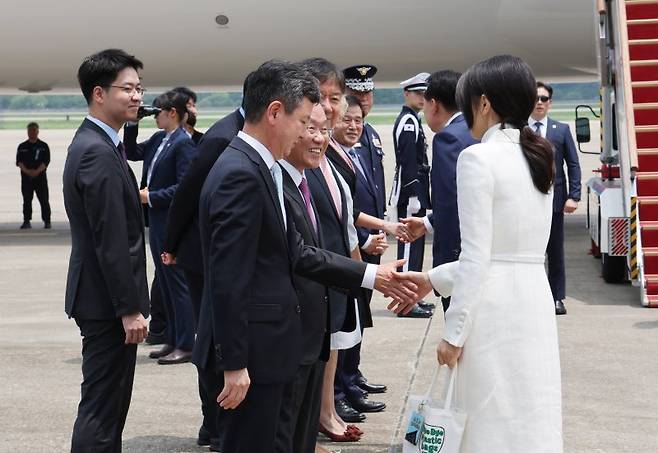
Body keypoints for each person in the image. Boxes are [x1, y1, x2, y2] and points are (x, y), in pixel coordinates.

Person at [192, 59, 414, 453]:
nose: (307, 135)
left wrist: (369, 275)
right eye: (302, 123)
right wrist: (234, 364)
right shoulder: (241, 173)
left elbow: (293, 250)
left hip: (276, 350)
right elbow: (228, 278)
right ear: (275, 112)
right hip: (254, 357)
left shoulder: (261, 167)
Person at [394, 55, 562, 453]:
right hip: (532, 300)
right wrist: (431, 280)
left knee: (487, 419)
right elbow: (507, 253)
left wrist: (453, 334)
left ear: (484, 103)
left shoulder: (477, 158)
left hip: (492, 307)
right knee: (529, 412)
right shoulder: (539, 155)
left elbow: (478, 256)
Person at [63, 48, 149, 452]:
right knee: (102, 407)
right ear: (99, 93)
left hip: (102, 299)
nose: (137, 96)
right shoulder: (96, 152)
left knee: (110, 405)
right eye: (127, 89)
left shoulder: (102, 143)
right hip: (106, 303)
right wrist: (129, 308)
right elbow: (111, 240)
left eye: (139, 88)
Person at [162, 79, 248, 451]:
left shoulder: (238, 129)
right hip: (203, 255)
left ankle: (216, 423)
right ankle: (212, 425)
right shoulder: (222, 135)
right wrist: (171, 243)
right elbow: (187, 191)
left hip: (217, 252)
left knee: (219, 339)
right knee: (211, 342)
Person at [276, 103, 342, 452]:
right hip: (288, 341)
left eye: (325, 130)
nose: (319, 138)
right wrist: (371, 277)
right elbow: (301, 255)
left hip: (313, 339)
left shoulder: (304, 180)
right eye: (310, 127)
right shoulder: (275, 182)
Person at [124, 90, 197, 365]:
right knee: (166, 284)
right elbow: (131, 152)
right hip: (156, 223)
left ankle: (187, 344)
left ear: (173, 113)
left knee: (178, 284)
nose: (155, 116)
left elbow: (184, 188)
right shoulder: (160, 139)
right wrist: (134, 122)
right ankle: (174, 339)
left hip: (170, 222)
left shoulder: (183, 144)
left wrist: (150, 196)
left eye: (158, 112)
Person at [402, 70, 478, 313]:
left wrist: (445, 268)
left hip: (461, 261)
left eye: (424, 105)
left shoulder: (448, 138)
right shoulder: (475, 131)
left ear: (434, 105)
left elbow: (451, 203)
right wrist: (426, 222)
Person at [530, 81, 581, 315]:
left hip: (555, 201)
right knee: (529, 252)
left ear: (550, 103)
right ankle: (530, 298)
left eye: (543, 99)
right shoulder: (521, 130)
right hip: (526, 201)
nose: (539, 102)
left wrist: (574, 196)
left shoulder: (560, 130)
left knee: (555, 251)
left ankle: (556, 297)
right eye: (536, 98)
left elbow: (572, 164)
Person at [390, 73, 433, 318]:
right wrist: (414, 192)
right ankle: (406, 303)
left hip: (415, 190)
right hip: (410, 193)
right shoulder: (408, 121)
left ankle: (412, 298)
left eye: (425, 94)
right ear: (407, 94)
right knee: (407, 250)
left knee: (415, 249)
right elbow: (407, 162)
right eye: (417, 94)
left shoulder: (413, 120)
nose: (422, 98)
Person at [16, 122, 51, 229]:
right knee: (27, 200)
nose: (32, 133)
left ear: (37, 131)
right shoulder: (22, 146)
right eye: (30, 131)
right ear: (27, 132)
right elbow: (19, 162)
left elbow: (46, 161)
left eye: (34, 130)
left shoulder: (43, 146)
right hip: (26, 178)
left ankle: (47, 221)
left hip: (40, 177)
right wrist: (27, 171)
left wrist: (37, 171)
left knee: (44, 199)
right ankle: (26, 221)